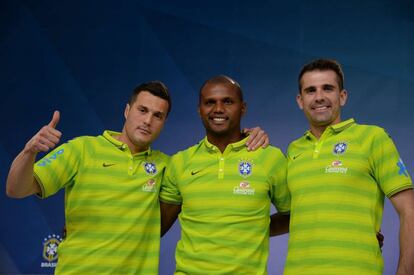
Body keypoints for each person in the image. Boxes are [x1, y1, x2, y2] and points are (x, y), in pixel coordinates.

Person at [6, 81, 268, 274]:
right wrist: (29, 152)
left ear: (164, 122)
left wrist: (249, 137)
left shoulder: (169, 166)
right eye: (142, 110)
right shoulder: (82, 149)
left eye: (158, 116)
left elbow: (214, 181)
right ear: (126, 110)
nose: (148, 121)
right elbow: (16, 190)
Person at [283, 59, 414, 274]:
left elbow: (409, 209)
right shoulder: (293, 150)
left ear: (342, 96)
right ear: (300, 100)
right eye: (310, 90)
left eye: (328, 88)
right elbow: (294, 215)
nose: (319, 97)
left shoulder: (372, 138)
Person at [160, 75, 291, 274]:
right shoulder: (180, 162)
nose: (218, 109)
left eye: (227, 101)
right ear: (199, 110)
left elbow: (294, 215)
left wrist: (255, 228)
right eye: (210, 102)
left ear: (243, 108)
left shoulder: (270, 158)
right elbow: (156, 227)